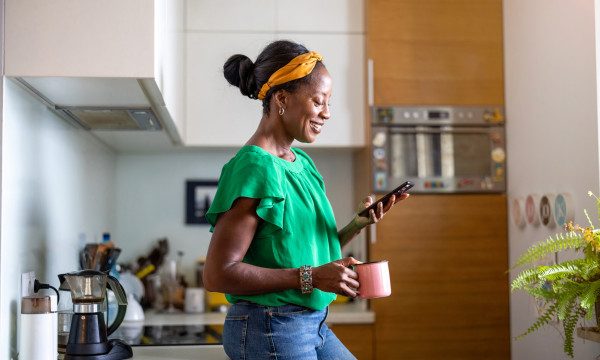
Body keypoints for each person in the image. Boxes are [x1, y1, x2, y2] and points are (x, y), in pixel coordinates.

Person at [203, 39, 408, 360]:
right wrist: (311, 277)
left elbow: (306, 251)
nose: (327, 113)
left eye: (329, 102)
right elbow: (218, 273)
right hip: (270, 326)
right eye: (318, 101)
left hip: (312, 324)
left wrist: (358, 224)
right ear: (282, 99)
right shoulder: (254, 167)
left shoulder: (303, 164)